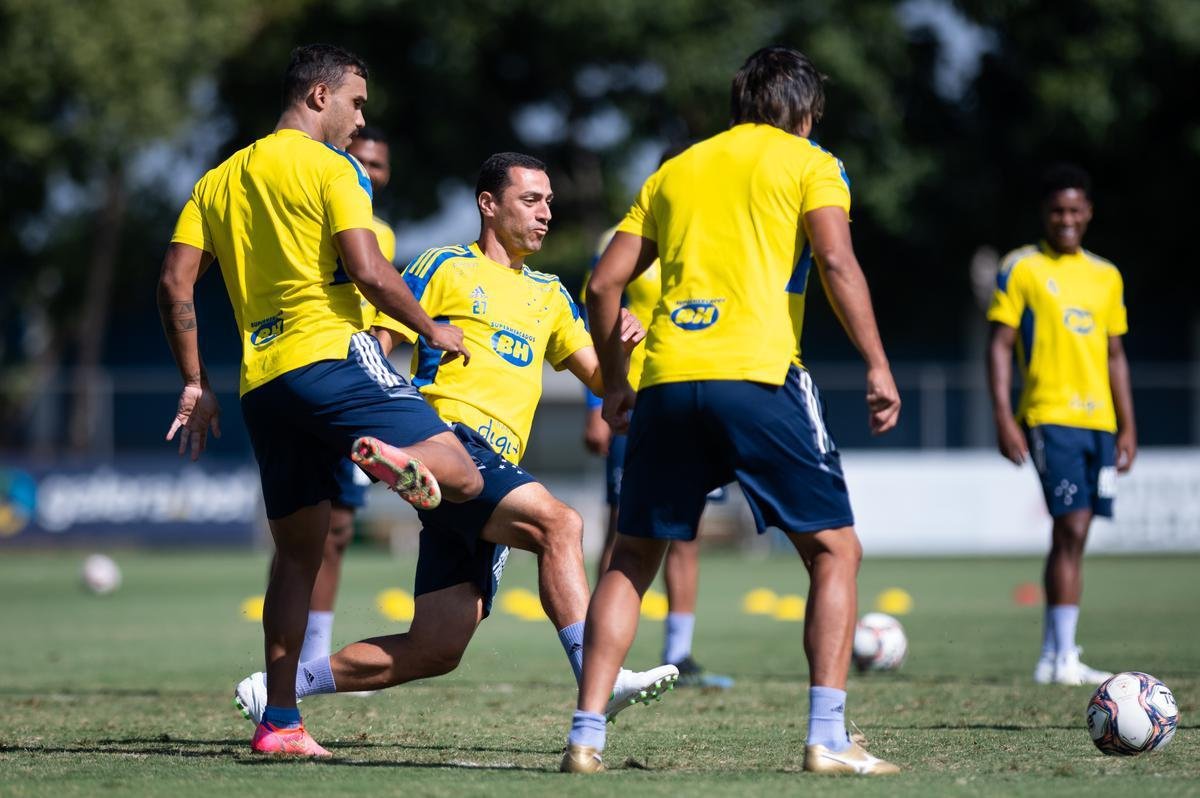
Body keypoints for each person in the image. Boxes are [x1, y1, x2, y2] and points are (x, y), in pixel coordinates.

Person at [233, 152, 678, 727]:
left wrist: (624, 345)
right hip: (456, 440)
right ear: (488, 205)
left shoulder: (551, 294)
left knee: (437, 648)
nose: (545, 215)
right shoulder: (441, 265)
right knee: (560, 524)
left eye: (549, 203)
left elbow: (601, 377)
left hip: (488, 472)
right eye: (531, 200)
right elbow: (380, 341)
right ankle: (600, 674)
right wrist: (356, 417)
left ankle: (278, 687)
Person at [562, 46, 902, 775]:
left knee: (629, 558)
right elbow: (837, 262)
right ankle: (828, 738)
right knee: (835, 552)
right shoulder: (812, 162)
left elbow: (602, 286)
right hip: (759, 375)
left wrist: (615, 384)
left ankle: (586, 737)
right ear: (806, 110)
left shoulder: (675, 170)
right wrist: (876, 363)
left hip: (667, 382)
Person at [158, 43, 484, 758]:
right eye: (355, 102)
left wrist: (196, 381)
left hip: (263, 384)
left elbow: (175, 283)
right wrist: (431, 327)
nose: (359, 116)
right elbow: (367, 271)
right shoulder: (332, 168)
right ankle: (385, 458)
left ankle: (280, 723)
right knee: (462, 477)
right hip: (332, 356)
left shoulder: (218, 179)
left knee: (296, 559)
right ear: (318, 98)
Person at [986, 163, 1136, 686]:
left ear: (1088, 212)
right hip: (1049, 416)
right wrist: (1004, 416)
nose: (1066, 219)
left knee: (1077, 533)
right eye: (1057, 211)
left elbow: (1115, 354)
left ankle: (1056, 656)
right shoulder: (1021, 268)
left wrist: (1127, 427)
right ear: (1044, 215)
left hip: (1099, 422)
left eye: (1075, 210)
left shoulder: (1106, 275)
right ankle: (1062, 655)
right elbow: (1001, 345)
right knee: (1069, 525)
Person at [583, 221, 733, 690]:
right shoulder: (617, 242)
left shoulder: (714, 237)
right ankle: (593, 654)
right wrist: (598, 401)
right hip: (638, 403)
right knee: (623, 529)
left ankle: (679, 653)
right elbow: (600, 315)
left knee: (687, 530)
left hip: (699, 401)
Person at [297, 124, 397, 666]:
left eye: (377, 165)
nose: (367, 172)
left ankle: (313, 654)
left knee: (338, 527)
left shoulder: (382, 231)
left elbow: (381, 314)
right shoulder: (314, 210)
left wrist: (374, 354)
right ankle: (289, 661)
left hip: (356, 374)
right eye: (358, 159)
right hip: (314, 369)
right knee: (303, 529)